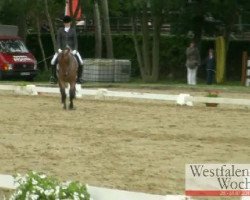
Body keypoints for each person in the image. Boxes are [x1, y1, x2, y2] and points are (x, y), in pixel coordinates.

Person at [50, 15, 83, 84]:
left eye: (68, 23)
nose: (67, 24)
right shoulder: (60, 30)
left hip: (71, 50)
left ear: (70, 23)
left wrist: (75, 50)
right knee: (53, 61)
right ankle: (53, 77)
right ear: (64, 23)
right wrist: (58, 49)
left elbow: (75, 42)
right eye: (65, 23)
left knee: (81, 61)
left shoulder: (73, 31)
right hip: (62, 50)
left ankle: (79, 78)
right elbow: (58, 41)